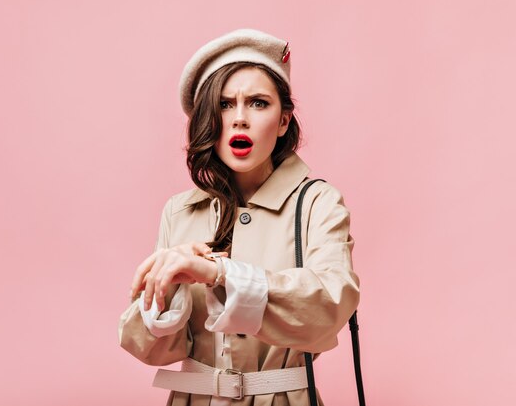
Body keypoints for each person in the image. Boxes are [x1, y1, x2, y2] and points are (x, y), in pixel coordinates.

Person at [118, 28, 360, 406]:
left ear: (283, 121)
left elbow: (329, 308)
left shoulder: (318, 203)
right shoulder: (179, 212)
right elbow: (153, 351)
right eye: (225, 104)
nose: (240, 119)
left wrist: (218, 274)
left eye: (259, 103)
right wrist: (169, 291)